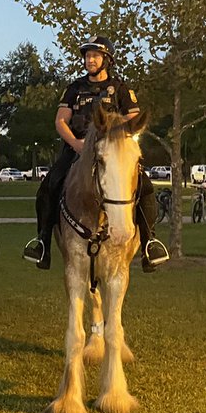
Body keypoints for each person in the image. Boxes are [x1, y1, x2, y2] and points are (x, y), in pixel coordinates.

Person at [22, 36, 169, 272]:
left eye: (95, 56)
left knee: (146, 186)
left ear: (107, 60)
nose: (90, 60)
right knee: (49, 185)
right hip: (77, 150)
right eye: (87, 56)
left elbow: (133, 121)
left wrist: (121, 141)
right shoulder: (74, 88)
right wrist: (76, 143)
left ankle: (149, 243)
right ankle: (43, 242)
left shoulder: (120, 89)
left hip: (111, 154)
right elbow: (61, 121)